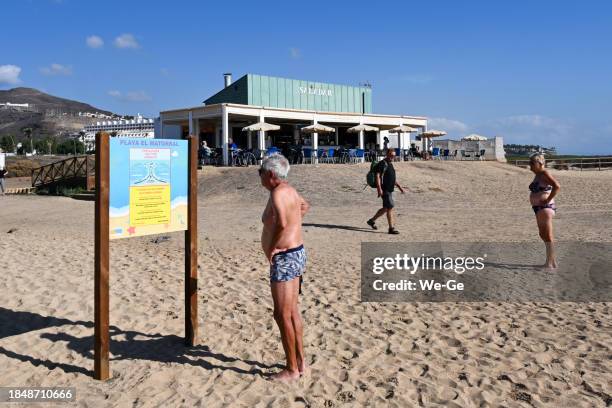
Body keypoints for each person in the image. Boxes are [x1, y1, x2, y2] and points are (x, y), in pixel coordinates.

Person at [259, 154, 310, 382]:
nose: (258, 176)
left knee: (282, 314)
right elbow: (304, 206)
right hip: (296, 252)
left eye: (260, 172)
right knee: (292, 312)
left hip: (285, 257)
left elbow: (281, 222)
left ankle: (291, 369)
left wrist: (271, 247)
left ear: (271, 174)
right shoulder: (289, 190)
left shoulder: (279, 193)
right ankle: (301, 363)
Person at [528, 153, 560, 268]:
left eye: (532, 163)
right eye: (529, 163)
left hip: (545, 208)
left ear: (540, 163)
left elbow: (557, 186)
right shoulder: (538, 175)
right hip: (538, 208)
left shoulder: (544, 173)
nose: (530, 165)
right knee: (543, 234)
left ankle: (549, 263)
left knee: (548, 235)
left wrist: (547, 200)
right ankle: (552, 261)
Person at [367, 149, 406, 234]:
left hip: (390, 189)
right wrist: (379, 189)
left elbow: (392, 178)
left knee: (386, 208)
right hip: (385, 189)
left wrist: (399, 187)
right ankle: (391, 228)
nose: (393, 157)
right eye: (391, 155)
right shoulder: (382, 163)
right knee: (390, 207)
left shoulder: (390, 164)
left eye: (394, 155)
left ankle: (371, 221)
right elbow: (377, 177)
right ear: (387, 154)